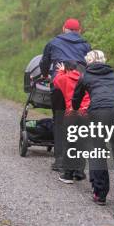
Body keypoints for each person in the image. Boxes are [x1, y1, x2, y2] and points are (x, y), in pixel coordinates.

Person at [72, 50, 114, 218]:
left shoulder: (85, 76)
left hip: (98, 112)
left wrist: (76, 109)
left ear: (88, 63)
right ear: (104, 61)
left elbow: (76, 100)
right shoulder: (112, 74)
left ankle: (100, 194)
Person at [40, 18, 91, 172]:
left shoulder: (53, 42)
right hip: (79, 86)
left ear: (64, 29)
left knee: (59, 121)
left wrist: (44, 75)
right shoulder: (86, 45)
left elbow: (44, 62)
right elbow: (90, 65)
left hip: (59, 83)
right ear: (79, 31)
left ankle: (60, 161)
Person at [52, 61, 90, 184]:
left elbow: (56, 82)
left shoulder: (65, 78)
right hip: (86, 112)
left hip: (72, 113)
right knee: (82, 141)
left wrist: (61, 71)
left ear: (67, 69)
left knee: (70, 142)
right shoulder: (85, 78)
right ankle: (79, 171)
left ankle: (68, 174)